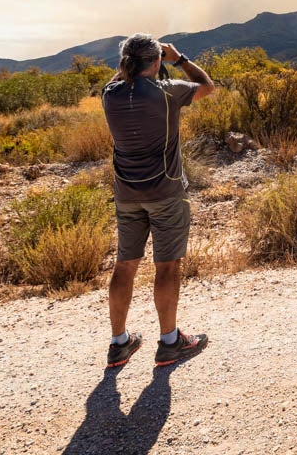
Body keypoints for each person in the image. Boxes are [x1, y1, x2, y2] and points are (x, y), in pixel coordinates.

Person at [100, 33, 215, 367]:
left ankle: (119, 343)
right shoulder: (168, 92)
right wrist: (178, 59)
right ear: (156, 62)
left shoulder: (109, 94)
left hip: (126, 194)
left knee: (126, 265)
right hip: (165, 191)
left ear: (124, 64)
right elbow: (207, 86)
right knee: (167, 265)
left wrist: (131, 66)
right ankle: (169, 342)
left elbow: (119, 78)